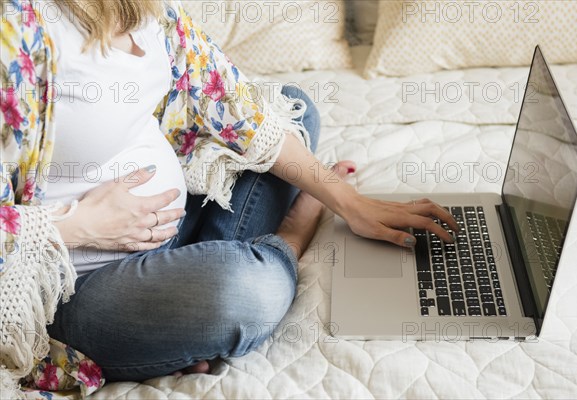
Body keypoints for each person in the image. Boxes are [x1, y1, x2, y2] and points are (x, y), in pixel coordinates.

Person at [0, 0, 458, 390]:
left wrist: (351, 205)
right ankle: (287, 242)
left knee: (293, 105)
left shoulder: (144, 9)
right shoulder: (15, 28)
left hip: (174, 232)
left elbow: (237, 106)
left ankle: (185, 307)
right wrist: (82, 224)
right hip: (78, 285)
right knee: (248, 292)